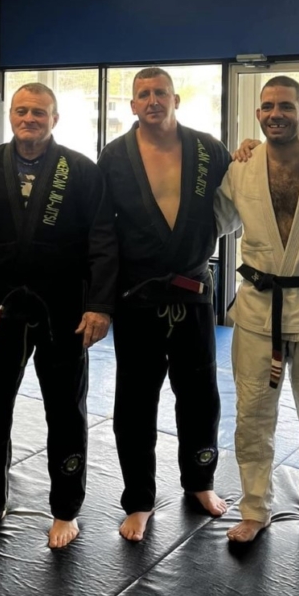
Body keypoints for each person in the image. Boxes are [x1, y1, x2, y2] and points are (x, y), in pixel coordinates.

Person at [0, 83, 117, 549]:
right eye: (22, 111)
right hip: (1, 303)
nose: (29, 119)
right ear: (11, 115)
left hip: (63, 304)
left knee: (65, 408)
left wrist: (100, 304)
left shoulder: (81, 171)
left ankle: (66, 509)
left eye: (39, 112)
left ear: (55, 118)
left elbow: (103, 241)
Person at [216, 76, 299, 544]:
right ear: (258, 114)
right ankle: (254, 508)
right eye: (268, 106)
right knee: (252, 413)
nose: (276, 114)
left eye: (286, 106)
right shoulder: (242, 167)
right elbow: (214, 221)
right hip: (258, 307)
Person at [97, 67, 231, 542]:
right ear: (133, 104)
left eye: (160, 92)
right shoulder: (114, 156)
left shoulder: (209, 149)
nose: (152, 100)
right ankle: (139, 499)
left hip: (193, 291)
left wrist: (248, 153)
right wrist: (99, 300)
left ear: (176, 99)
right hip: (137, 295)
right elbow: (102, 231)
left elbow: (242, 195)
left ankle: (200, 481)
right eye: (143, 94)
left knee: (201, 396)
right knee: (135, 401)